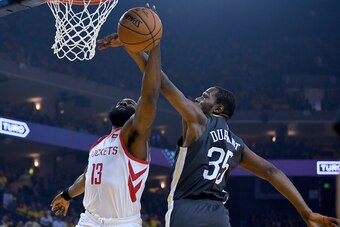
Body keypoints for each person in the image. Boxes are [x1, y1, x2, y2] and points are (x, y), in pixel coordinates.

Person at [98, 30, 340, 227]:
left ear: (219, 108)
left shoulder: (199, 120)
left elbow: (161, 82)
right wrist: (306, 212)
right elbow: (271, 172)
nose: (198, 99)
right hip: (218, 216)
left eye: (205, 96)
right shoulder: (237, 144)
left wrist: (136, 45)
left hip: (186, 209)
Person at [50, 41, 162, 226]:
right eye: (121, 102)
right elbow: (87, 177)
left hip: (122, 223)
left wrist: (154, 47)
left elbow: (150, 93)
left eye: (131, 104)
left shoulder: (134, 136)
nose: (124, 102)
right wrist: (67, 195)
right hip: (90, 220)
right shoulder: (98, 144)